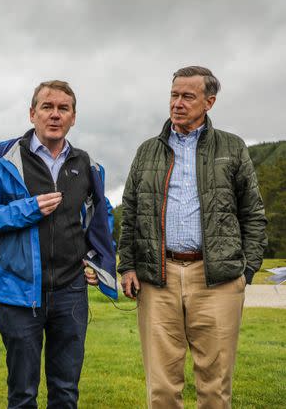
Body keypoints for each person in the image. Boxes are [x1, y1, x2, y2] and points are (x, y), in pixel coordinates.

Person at [118, 66, 267, 409]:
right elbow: (131, 212)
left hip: (217, 279)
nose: (178, 103)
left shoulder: (232, 147)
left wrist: (245, 273)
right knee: (161, 388)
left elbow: (253, 215)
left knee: (214, 387)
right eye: (174, 95)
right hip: (158, 278)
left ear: (209, 102)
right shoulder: (146, 151)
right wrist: (128, 265)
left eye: (188, 96)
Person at [0, 80, 116, 408]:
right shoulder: (5, 159)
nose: (55, 114)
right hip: (19, 293)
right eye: (47, 107)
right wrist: (27, 209)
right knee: (22, 393)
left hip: (70, 293)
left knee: (65, 392)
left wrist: (95, 259)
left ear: (73, 117)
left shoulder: (85, 164)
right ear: (32, 113)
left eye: (64, 108)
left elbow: (101, 217)